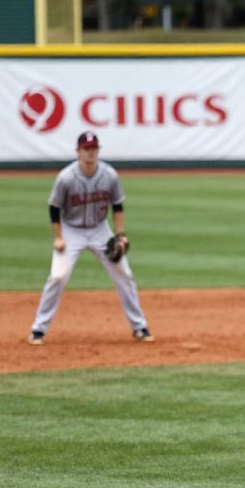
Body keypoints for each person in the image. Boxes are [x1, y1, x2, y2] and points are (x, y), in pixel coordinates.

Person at [28, 131, 154, 345]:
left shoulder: (109, 175)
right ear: (78, 151)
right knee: (58, 276)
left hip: (100, 229)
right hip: (71, 229)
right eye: (86, 149)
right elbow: (54, 207)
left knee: (124, 273)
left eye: (94, 148)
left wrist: (120, 234)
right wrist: (58, 237)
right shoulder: (66, 177)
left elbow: (118, 205)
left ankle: (139, 327)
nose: (91, 152)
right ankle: (38, 329)